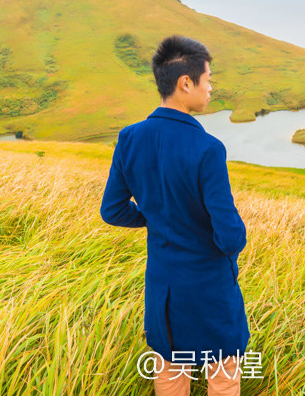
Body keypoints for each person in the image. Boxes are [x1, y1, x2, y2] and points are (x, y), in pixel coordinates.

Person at [100, 35, 249, 395]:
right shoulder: (208, 148)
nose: (211, 87)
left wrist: (154, 217)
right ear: (186, 83)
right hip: (209, 286)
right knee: (223, 376)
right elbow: (230, 235)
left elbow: (113, 210)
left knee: (169, 373)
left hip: (163, 285)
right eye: (208, 79)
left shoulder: (130, 137)